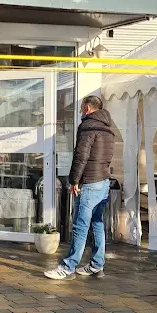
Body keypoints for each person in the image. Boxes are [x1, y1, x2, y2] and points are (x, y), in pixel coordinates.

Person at [45, 95, 115, 281]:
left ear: (87, 108)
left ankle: (68, 267)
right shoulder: (107, 128)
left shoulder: (88, 126)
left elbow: (81, 156)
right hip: (103, 182)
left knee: (80, 226)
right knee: (97, 223)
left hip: (90, 183)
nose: (80, 111)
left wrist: (74, 180)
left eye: (81, 107)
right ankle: (96, 264)